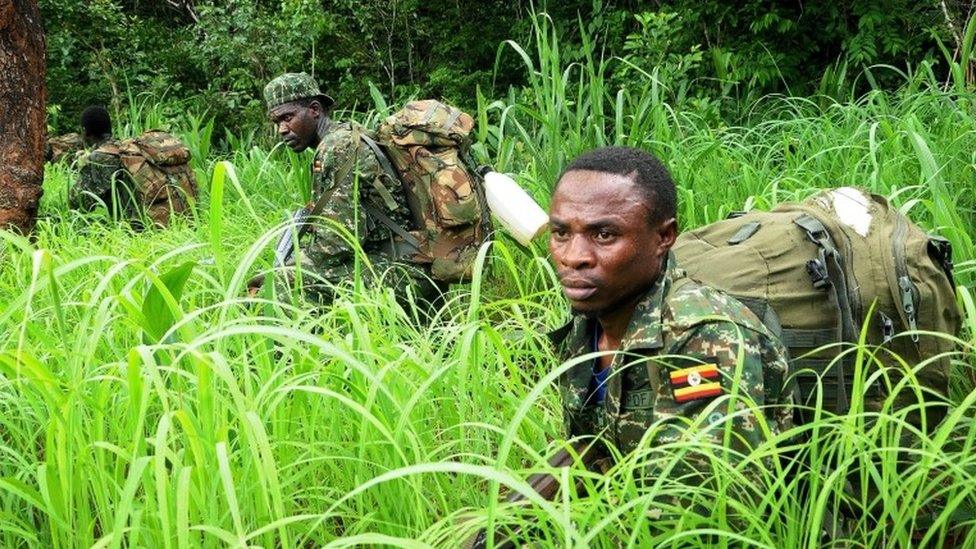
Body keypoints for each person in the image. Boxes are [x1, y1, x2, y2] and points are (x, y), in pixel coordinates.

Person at [547, 146, 793, 478]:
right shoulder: (587, 325)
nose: (573, 256)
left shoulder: (704, 336)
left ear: (664, 236)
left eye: (604, 235)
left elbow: (705, 506)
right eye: (561, 233)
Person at [260, 72, 438, 305]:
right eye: (277, 122)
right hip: (412, 261)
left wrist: (284, 271)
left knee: (279, 289)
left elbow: (338, 241)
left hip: (403, 272)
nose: (282, 130)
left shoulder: (337, 148)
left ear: (314, 109)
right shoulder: (350, 134)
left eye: (288, 117)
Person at [70, 105, 196, 227]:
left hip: (137, 230)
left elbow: (78, 203)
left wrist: (83, 166)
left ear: (85, 132)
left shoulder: (99, 158)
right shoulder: (127, 149)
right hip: (185, 220)